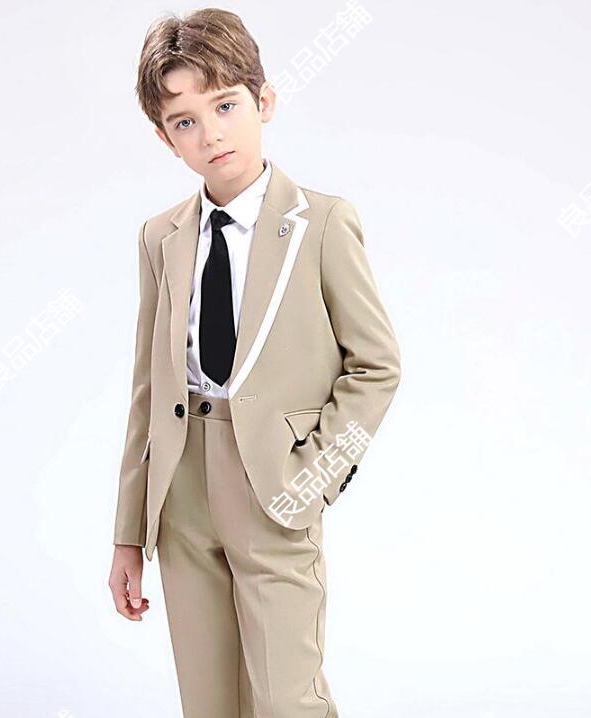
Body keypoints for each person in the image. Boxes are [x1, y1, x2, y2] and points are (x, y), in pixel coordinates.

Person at [108, 8, 402, 717]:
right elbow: (148, 391)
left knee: (286, 697)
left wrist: (312, 482)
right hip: (181, 490)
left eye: (225, 106)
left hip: (273, 482)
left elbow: (376, 366)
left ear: (263, 101)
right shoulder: (159, 237)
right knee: (208, 699)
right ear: (165, 138)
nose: (210, 134)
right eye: (184, 121)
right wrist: (129, 533)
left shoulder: (321, 223)